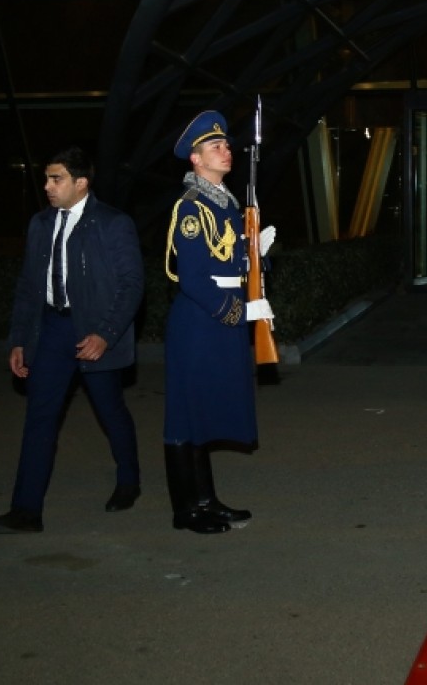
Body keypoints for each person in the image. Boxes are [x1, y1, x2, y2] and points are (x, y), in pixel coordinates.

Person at [0, 147, 144, 534]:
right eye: (47, 178)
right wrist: (19, 339)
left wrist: (105, 334)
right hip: (52, 330)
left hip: (93, 330)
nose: (47, 186)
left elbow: (132, 284)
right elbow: (28, 287)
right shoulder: (40, 224)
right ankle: (26, 511)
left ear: (81, 182)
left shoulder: (113, 223)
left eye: (56, 179)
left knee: (110, 410)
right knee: (40, 417)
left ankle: (129, 481)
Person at [163, 111, 274, 535]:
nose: (226, 151)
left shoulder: (224, 202)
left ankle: (207, 501)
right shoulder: (192, 207)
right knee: (187, 416)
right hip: (200, 321)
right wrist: (238, 312)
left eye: (226, 145)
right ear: (195, 158)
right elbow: (192, 278)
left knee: (205, 413)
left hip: (218, 318)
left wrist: (254, 256)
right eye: (215, 146)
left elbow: (226, 259)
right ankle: (186, 510)